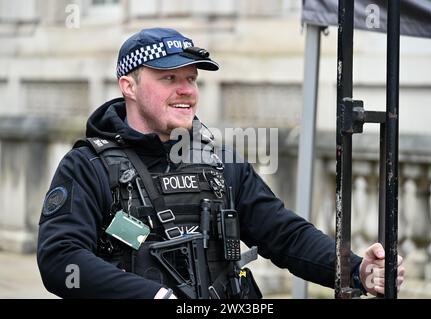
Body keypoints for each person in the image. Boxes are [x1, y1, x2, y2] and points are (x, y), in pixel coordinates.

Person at [37, 27, 405, 299]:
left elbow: (284, 235)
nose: (186, 90)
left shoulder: (220, 162)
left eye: (191, 79)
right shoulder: (88, 165)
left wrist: (356, 269)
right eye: (169, 78)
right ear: (128, 87)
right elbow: (60, 260)